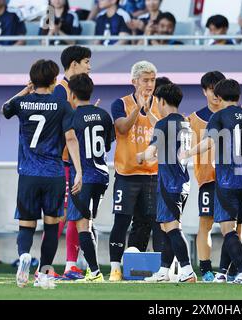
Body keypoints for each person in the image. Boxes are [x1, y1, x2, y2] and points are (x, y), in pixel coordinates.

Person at [1, 59, 82, 288]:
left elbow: (4, 109)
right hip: (54, 174)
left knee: (26, 225)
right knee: (52, 225)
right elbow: (70, 138)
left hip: (28, 174)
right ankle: (44, 273)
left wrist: (24, 91)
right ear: (55, 80)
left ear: (32, 80)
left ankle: (24, 255)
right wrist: (78, 172)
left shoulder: (22, 103)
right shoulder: (62, 104)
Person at [180, 79, 242, 285]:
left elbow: (209, 142)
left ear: (219, 97)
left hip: (226, 179)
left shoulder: (219, 116)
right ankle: (223, 272)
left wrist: (188, 152)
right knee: (234, 227)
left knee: (227, 228)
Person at [109, 60, 163, 281]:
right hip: (126, 174)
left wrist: (149, 110)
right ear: (134, 82)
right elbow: (121, 128)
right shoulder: (120, 103)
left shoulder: (161, 103)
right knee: (121, 220)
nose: (149, 84)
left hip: (152, 174)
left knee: (146, 222)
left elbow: (166, 131)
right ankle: (114, 268)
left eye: (152, 80)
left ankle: (135, 267)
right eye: (145, 80)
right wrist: (138, 109)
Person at [138, 83, 197, 283]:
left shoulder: (163, 125)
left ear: (161, 101)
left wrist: (141, 156)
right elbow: (165, 131)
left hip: (169, 183)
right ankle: (164, 271)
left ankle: (187, 270)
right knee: (166, 228)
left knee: (172, 227)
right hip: (181, 182)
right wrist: (150, 115)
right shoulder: (185, 122)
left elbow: (150, 152)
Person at [66, 73, 114, 283]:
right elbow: (108, 144)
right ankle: (93, 270)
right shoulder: (103, 114)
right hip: (102, 175)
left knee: (82, 224)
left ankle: (94, 272)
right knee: (89, 222)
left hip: (84, 176)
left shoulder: (71, 117)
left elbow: (68, 143)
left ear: (72, 93)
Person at [52, 45, 92, 280]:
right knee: (62, 214)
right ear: (74, 64)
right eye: (86, 61)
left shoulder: (76, 88)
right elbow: (58, 125)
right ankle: (45, 265)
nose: (90, 66)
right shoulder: (60, 90)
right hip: (62, 162)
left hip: (74, 161)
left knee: (75, 213)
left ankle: (70, 265)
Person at [187, 71, 226, 282]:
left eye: (219, 88)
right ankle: (206, 269)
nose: (216, 93)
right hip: (207, 179)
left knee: (235, 226)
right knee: (206, 224)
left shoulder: (234, 115)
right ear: (204, 91)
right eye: (211, 89)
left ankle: (233, 268)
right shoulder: (193, 119)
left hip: (233, 180)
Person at [125, 75, 172, 251]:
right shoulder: (139, 110)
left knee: (159, 220)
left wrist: (144, 155)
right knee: (141, 220)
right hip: (142, 175)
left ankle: (163, 263)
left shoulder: (168, 117)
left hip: (160, 175)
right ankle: (138, 262)